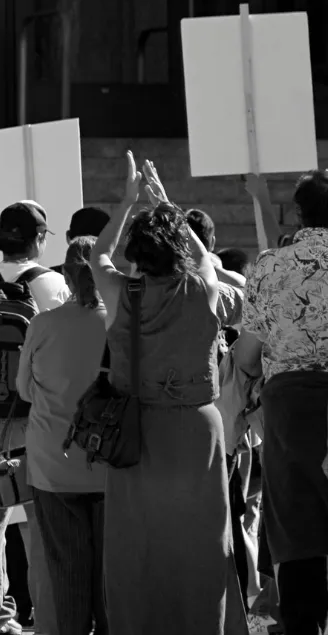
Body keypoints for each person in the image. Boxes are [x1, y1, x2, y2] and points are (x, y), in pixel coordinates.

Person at [90, 152, 246, 635]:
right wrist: (167, 205)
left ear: (137, 254)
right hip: (196, 429)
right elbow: (203, 258)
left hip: (136, 431)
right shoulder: (204, 289)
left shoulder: (119, 293)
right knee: (201, 543)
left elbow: (97, 255)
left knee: (136, 545)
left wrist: (127, 201)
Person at [0, 201, 66, 635]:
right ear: (38, 239)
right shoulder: (52, 284)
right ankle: (49, 617)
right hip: (36, 419)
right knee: (40, 523)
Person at [239, 170, 328, 634]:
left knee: (296, 522)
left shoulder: (271, 266)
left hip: (290, 407)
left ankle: (302, 621)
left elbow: (247, 355)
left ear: (298, 212)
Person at [17, 236, 109, 635]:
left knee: (67, 569)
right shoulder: (120, 324)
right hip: (110, 461)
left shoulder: (43, 324)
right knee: (108, 569)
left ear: (66, 277)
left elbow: (24, 391)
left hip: (53, 463)